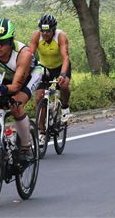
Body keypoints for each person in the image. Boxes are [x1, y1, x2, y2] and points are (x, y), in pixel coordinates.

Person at [0, 18, 43, 163]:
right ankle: (4, 150)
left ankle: (26, 148)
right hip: (5, 76)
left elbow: (15, 87)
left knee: (15, 105)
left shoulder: (23, 53)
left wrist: (4, 89)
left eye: (3, 42)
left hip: (29, 76)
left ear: (11, 41)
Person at [29, 14, 72, 145]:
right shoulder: (36, 36)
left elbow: (65, 58)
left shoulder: (60, 36)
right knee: (39, 98)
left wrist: (63, 74)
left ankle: (64, 107)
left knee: (63, 86)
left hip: (60, 67)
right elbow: (29, 55)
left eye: (48, 31)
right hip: (44, 67)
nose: (45, 33)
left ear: (53, 29)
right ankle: (42, 132)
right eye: (42, 30)